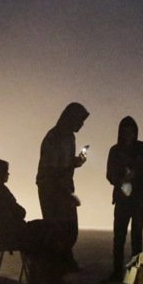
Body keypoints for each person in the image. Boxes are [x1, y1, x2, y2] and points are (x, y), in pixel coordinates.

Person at [0, 158, 70, 284]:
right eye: (6, 172)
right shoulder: (0, 192)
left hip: (5, 234)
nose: (8, 174)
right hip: (13, 234)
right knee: (50, 231)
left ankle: (42, 278)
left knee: (45, 228)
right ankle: (49, 279)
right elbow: (18, 212)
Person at [36, 102, 89, 273]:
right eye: (80, 120)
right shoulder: (55, 136)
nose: (82, 124)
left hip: (61, 187)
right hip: (52, 188)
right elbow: (52, 169)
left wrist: (76, 161)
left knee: (67, 229)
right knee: (59, 230)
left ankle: (63, 265)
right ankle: (55, 272)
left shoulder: (68, 137)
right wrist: (65, 192)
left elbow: (63, 163)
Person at [105, 116, 143, 282]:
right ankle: (117, 273)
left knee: (136, 236)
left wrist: (136, 172)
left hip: (139, 198)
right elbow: (109, 175)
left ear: (135, 132)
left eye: (131, 132)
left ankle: (135, 273)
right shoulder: (114, 150)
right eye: (125, 132)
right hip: (122, 198)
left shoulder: (142, 148)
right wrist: (122, 179)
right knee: (119, 237)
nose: (128, 135)